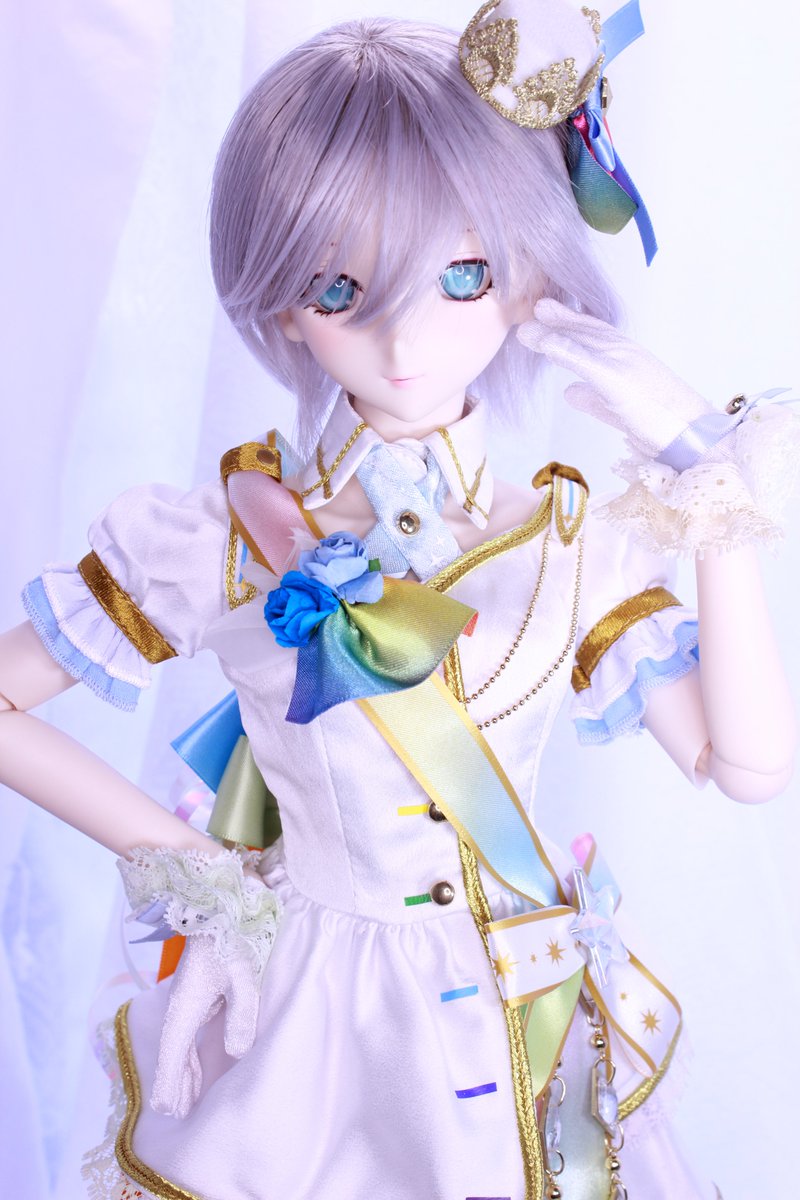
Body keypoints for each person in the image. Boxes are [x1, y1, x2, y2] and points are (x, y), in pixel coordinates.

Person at [0, 3, 796, 1198]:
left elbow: (748, 766)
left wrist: (701, 473)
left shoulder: (569, 545)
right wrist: (199, 876)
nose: (403, 339)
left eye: (462, 276)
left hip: (529, 1019)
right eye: (338, 288)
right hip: (310, 1032)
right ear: (280, 301)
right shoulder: (224, 538)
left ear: (530, 277)